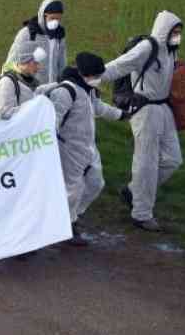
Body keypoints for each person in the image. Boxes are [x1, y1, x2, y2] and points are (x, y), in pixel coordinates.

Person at [100, 11, 184, 232]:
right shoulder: (148, 48)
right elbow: (120, 65)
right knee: (145, 163)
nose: (177, 36)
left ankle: (133, 191)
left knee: (173, 159)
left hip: (164, 109)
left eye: (179, 32)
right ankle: (141, 214)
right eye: (174, 32)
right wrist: (89, 78)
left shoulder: (171, 51)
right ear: (164, 30)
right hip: (145, 109)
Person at [38, 53, 127, 243]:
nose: (98, 80)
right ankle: (65, 226)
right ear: (84, 74)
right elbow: (54, 120)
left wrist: (121, 115)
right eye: (95, 76)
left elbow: (98, 108)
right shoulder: (65, 92)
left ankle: (72, 216)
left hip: (88, 146)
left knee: (96, 183)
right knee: (73, 188)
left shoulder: (88, 89)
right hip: (68, 147)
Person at [3, 0, 67, 85]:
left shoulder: (59, 35)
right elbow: (11, 61)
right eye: (52, 18)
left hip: (52, 90)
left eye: (58, 19)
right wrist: (3, 84)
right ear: (43, 16)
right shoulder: (27, 33)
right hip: (31, 89)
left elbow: (61, 62)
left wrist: (63, 83)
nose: (55, 22)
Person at [0, 41, 46, 120]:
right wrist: (33, 108)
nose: (39, 67)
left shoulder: (32, 82)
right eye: (35, 63)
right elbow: (3, 113)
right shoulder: (7, 82)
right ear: (24, 61)